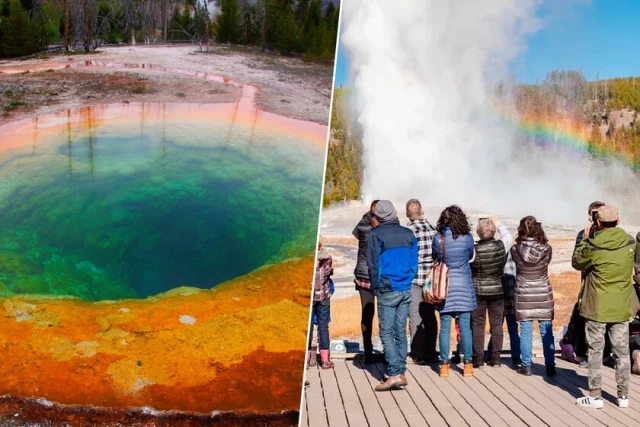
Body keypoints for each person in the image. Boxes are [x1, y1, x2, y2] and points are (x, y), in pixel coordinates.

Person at [573, 206, 636, 409]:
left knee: (595, 351)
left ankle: (595, 396)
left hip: (597, 306)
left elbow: (577, 262)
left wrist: (585, 236)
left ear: (598, 223)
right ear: (618, 221)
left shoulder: (593, 245)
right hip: (620, 306)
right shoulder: (630, 242)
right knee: (622, 353)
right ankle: (624, 396)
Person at [367, 200, 417, 391]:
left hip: (387, 287)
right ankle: (400, 371)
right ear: (394, 213)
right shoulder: (408, 234)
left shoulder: (376, 234)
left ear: (378, 216)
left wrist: (376, 286)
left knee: (386, 332)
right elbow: (414, 263)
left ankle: (394, 373)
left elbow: (373, 264)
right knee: (400, 331)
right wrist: (407, 279)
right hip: (405, 287)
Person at [432, 205, 476, 378]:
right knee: (465, 327)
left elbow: (435, 257)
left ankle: (444, 365)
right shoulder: (468, 238)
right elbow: (470, 256)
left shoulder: (439, 239)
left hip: (445, 285)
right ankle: (468, 365)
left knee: (444, 328)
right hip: (464, 285)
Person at [511, 216, 556, 377]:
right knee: (546, 330)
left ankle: (526, 366)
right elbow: (546, 264)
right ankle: (550, 366)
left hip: (524, 292)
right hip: (542, 291)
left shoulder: (515, 249)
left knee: (525, 330)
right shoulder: (547, 249)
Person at [570, 201, 607, 368]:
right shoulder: (582, 234)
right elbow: (578, 259)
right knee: (585, 318)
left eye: (599, 213)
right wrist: (587, 237)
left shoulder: (609, 234)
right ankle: (583, 353)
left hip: (605, 283)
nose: (596, 217)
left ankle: (605, 355)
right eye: (594, 213)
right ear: (589, 215)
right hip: (588, 283)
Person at [405, 198, 439, 365]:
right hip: (431, 278)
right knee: (430, 315)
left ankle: (418, 353)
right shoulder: (434, 229)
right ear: (422, 211)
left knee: (415, 315)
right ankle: (432, 351)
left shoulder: (408, 231)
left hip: (415, 278)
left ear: (407, 214)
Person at [471, 217, 507, 368]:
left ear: (479, 233)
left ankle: (478, 358)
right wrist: (498, 223)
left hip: (478, 290)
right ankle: (496, 358)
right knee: (497, 324)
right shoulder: (501, 245)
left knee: (478, 325)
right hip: (498, 289)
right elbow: (508, 236)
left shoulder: (474, 249)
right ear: (493, 231)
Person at [352, 200, 379, 364]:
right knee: (385, 314)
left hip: (363, 275)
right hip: (380, 276)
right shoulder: (384, 229)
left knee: (367, 314)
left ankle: (368, 352)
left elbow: (355, 233)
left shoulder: (362, 226)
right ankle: (388, 352)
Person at [308, 237, 334, 370]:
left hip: (310, 297)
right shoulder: (327, 257)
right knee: (323, 326)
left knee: (308, 327)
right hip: (324, 296)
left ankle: (306, 360)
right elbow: (329, 273)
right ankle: (325, 360)